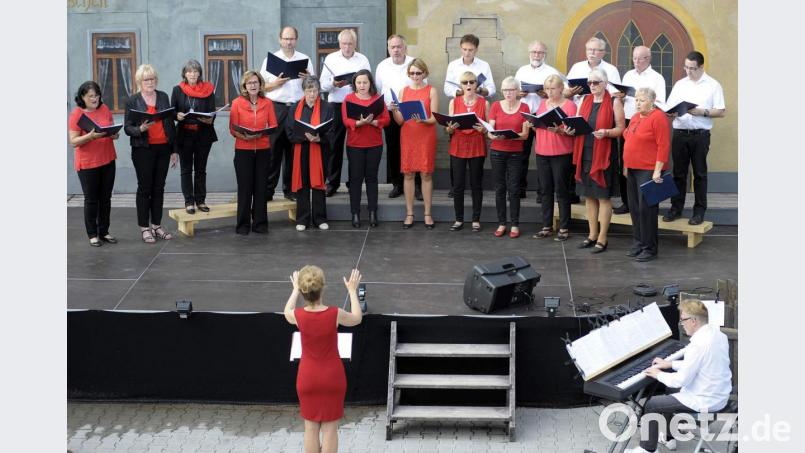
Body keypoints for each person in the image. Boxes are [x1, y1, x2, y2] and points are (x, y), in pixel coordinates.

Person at [624, 299, 732, 453]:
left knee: (652, 404)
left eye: (683, 320)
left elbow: (681, 380)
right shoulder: (717, 335)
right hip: (719, 395)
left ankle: (647, 449)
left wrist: (658, 373)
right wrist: (671, 365)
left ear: (694, 321)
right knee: (669, 390)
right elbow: (699, 365)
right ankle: (670, 438)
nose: (682, 323)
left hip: (706, 401)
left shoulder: (699, 344)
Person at [283, 266, 363, 453]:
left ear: (304, 290)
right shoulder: (334, 314)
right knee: (330, 429)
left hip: (308, 378)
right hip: (332, 378)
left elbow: (287, 309)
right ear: (322, 288)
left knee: (310, 428)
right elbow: (357, 318)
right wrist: (352, 291)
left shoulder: (297, 315)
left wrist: (294, 290)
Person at [663, 51, 726, 226]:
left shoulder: (713, 85)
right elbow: (669, 107)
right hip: (680, 133)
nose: (688, 72)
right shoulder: (680, 84)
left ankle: (699, 212)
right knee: (678, 174)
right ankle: (676, 209)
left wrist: (702, 112)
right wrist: (671, 113)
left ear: (701, 67)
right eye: (686, 67)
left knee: (699, 174)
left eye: (692, 68)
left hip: (700, 135)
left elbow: (721, 111)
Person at [568, 68, 625, 253]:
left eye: (596, 82)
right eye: (589, 83)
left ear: (605, 83)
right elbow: (578, 124)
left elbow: (621, 129)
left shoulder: (614, 102)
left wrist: (607, 132)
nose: (591, 86)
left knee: (603, 197)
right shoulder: (584, 100)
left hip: (604, 155)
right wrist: (571, 130)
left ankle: (603, 237)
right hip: (585, 152)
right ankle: (592, 235)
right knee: (589, 196)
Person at [124, 64, 178, 244]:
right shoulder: (133, 100)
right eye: (146, 79)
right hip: (143, 150)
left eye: (152, 78)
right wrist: (140, 128)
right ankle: (144, 228)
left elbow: (170, 124)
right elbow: (127, 128)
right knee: (145, 188)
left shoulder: (162, 96)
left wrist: (173, 150)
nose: (150, 82)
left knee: (159, 188)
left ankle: (156, 224)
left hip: (163, 148)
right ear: (140, 81)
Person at [261, 26, 315, 203]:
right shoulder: (270, 61)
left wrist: (307, 78)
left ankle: (290, 191)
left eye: (291, 39)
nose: (288, 42)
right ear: (280, 39)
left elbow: (313, 86)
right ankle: (267, 192)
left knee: (294, 152)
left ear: (296, 40)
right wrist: (275, 83)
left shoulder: (305, 60)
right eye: (285, 38)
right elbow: (261, 87)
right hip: (276, 107)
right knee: (273, 151)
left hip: (298, 109)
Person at [320, 29, 371, 197]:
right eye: (344, 44)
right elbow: (322, 85)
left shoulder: (362, 59)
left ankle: (353, 182)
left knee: (356, 146)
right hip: (336, 105)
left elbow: (369, 83)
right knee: (334, 146)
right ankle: (332, 183)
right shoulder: (330, 59)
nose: (347, 47)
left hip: (357, 105)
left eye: (350, 43)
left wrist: (356, 85)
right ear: (339, 44)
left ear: (355, 44)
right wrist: (335, 84)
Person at [616, 46, 667, 215]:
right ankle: (627, 202)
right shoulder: (628, 75)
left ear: (649, 58)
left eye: (641, 58)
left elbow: (660, 102)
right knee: (626, 161)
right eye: (634, 58)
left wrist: (645, 103)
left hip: (649, 120)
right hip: (631, 120)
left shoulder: (657, 78)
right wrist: (622, 97)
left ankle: (647, 205)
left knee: (645, 164)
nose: (637, 62)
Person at [443, 34, 495, 198]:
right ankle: (455, 186)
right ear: (461, 48)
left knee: (476, 147)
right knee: (456, 147)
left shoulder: (483, 65)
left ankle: (475, 186)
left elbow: (491, 88)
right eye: (464, 49)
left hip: (477, 105)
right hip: (459, 104)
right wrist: (460, 91)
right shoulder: (453, 65)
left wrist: (479, 90)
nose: (467, 53)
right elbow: (447, 87)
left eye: (471, 50)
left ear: (476, 50)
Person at [68, 81, 119, 247]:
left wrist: (113, 135)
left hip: (107, 159)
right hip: (88, 163)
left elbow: (111, 130)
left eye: (96, 95)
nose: (95, 98)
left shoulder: (104, 109)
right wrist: (90, 136)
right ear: (82, 97)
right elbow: (73, 142)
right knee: (91, 199)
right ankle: (92, 234)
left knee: (106, 198)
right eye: (90, 96)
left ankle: (104, 231)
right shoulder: (77, 114)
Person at [622, 87, 670, 262]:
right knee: (634, 208)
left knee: (646, 210)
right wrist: (626, 165)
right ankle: (638, 243)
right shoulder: (635, 117)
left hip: (649, 170)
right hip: (633, 169)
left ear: (652, 101)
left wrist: (658, 170)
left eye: (641, 100)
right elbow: (628, 141)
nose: (637, 103)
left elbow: (663, 146)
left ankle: (649, 248)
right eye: (636, 100)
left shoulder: (659, 117)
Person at [389, 58, 438, 229]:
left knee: (425, 174)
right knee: (408, 174)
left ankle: (427, 213)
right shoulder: (403, 91)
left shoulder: (431, 91)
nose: (415, 76)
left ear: (425, 73)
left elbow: (434, 118)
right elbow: (400, 121)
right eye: (412, 73)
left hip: (425, 135)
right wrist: (395, 110)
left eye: (418, 72)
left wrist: (423, 119)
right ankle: (409, 213)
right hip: (408, 135)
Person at [228, 70, 278, 235]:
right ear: (244, 86)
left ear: (260, 84)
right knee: (245, 188)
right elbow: (232, 128)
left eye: (256, 82)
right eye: (249, 83)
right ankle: (243, 225)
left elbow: (273, 125)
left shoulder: (268, 103)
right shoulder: (236, 103)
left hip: (263, 149)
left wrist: (261, 133)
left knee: (261, 188)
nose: (253, 85)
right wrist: (245, 136)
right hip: (243, 150)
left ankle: (260, 224)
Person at [375, 34, 422, 200]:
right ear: (388, 49)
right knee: (393, 148)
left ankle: (417, 185)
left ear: (405, 48)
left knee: (413, 148)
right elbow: (379, 89)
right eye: (392, 47)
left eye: (399, 46)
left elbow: (422, 85)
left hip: (411, 112)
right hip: (390, 111)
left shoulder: (414, 63)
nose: (396, 50)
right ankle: (397, 184)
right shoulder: (382, 66)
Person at [531, 74, 578, 241]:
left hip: (561, 153)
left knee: (562, 191)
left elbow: (573, 132)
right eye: (547, 89)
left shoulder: (570, 106)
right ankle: (546, 226)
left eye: (553, 89)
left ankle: (564, 227)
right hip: (542, 152)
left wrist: (559, 131)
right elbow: (539, 126)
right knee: (545, 191)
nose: (550, 92)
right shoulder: (542, 104)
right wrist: (534, 123)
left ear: (561, 89)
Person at [341, 69, 390, 228]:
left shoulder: (377, 99)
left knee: (372, 178)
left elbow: (386, 119)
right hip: (355, 145)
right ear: (354, 84)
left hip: (374, 144)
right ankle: (355, 213)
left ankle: (372, 212)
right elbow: (346, 120)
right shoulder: (348, 99)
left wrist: (375, 122)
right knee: (355, 180)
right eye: (359, 82)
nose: (362, 85)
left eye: (365, 82)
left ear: (370, 83)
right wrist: (359, 123)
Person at [285, 77, 334, 231]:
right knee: (303, 183)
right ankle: (302, 218)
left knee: (319, 183)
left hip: (319, 149)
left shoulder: (327, 107)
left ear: (319, 90)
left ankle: (320, 218)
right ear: (303, 91)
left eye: (315, 90)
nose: (312, 94)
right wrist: (304, 137)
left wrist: (320, 138)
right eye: (309, 90)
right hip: (301, 149)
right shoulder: (294, 108)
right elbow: (289, 131)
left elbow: (332, 130)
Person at [514, 40, 561, 200]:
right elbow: (513, 91)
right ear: (529, 53)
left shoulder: (552, 71)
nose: (536, 55)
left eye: (540, 52)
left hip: (544, 115)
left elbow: (563, 91)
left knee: (543, 155)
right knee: (522, 154)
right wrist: (518, 94)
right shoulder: (521, 71)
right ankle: (519, 189)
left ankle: (543, 192)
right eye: (534, 52)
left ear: (545, 54)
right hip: (525, 115)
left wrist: (547, 94)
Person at [171, 59, 217, 215]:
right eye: (190, 71)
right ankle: (189, 202)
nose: (193, 74)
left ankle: (201, 200)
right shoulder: (177, 90)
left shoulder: (208, 90)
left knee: (200, 169)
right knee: (185, 170)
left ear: (200, 73)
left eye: (196, 71)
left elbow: (212, 112)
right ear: (184, 73)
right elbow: (172, 112)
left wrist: (210, 119)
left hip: (203, 134)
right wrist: (177, 115)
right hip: (184, 135)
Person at [445, 71, 489, 232]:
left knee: (476, 184)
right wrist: (449, 128)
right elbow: (448, 130)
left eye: (472, 82)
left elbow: (490, 129)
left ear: (477, 84)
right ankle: (459, 219)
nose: (469, 85)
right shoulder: (454, 102)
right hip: (458, 145)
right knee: (458, 185)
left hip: (477, 145)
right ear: (460, 85)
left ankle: (476, 219)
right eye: (465, 82)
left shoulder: (484, 103)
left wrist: (484, 129)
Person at [486, 76, 530, 238]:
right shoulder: (496, 106)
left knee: (514, 188)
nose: (508, 93)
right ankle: (502, 223)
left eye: (511, 90)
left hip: (515, 153)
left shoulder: (524, 106)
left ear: (518, 91)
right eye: (505, 90)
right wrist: (493, 136)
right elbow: (490, 131)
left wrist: (510, 137)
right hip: (497, 152)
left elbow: (525, 135)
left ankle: (515, 224)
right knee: (499, 189)